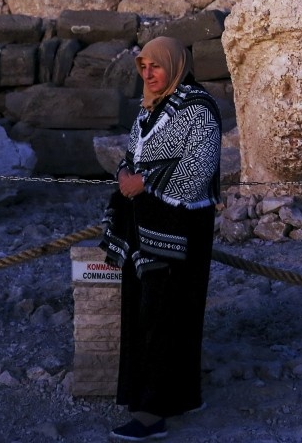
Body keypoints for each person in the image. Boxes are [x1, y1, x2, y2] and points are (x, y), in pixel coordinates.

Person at [100, 37, 222, 441]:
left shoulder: (200, 111)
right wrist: (124, 175)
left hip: (180, 229)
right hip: (147, 226)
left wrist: (143, 182)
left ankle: (153, 414)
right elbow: (133, 154)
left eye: (155, 66)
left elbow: (196, 173)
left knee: (166, 316)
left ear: (175, 65)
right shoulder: (150, 109)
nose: (148, 74)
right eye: (143, 67)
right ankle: (183, 396)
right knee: (152, 312)